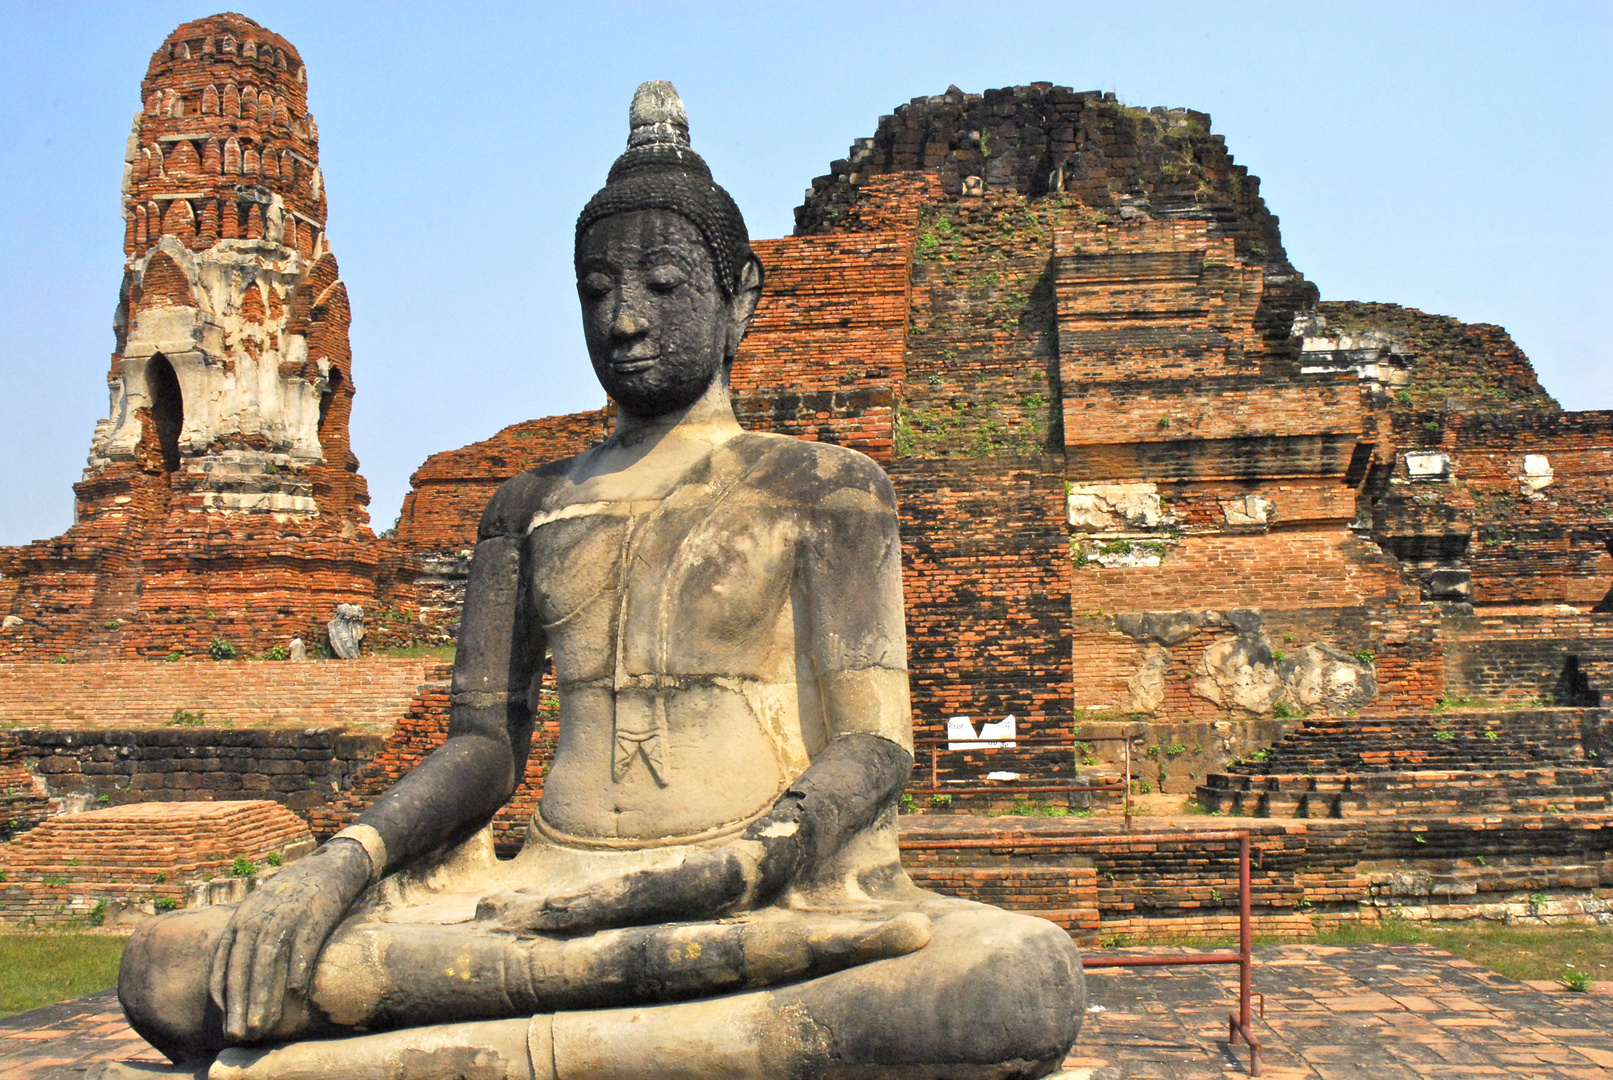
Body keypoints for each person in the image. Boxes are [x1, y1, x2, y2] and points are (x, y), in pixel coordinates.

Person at [113, 81, 1085, 1080]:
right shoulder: (525, 505)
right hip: (545, 887)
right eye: (593, 290)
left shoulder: (825, 487)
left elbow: (874, 744)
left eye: (662, 284)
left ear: (739, 295)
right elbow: (484, 749)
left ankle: (444, 1052)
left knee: (1014, 982)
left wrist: (748, 861)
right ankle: (658, 1040)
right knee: (176, 967)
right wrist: (340, 861)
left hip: (751, 886)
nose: (622, 320)